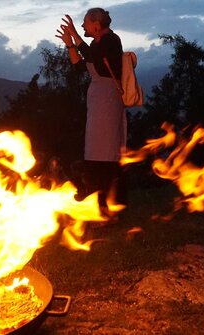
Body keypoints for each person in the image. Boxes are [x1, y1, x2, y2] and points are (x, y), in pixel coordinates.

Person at [56, 8, 127, 213]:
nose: (82, 26)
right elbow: (80, 67)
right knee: (95, 150)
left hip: (109, 100)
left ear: (96, 25)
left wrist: (75, 36)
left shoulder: (111, 41)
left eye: (85, 23)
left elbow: (92, 55)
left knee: (108, 151)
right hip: (97, 102)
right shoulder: (97, 45)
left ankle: (110, 205)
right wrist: (69, 43)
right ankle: (99, 203)